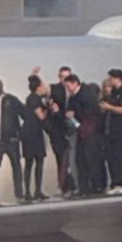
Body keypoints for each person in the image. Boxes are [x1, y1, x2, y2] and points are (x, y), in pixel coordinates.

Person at [68, 76, 105, 195]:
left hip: (91, 131)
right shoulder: (72, 98)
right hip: (80, 131)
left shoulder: (87, 94)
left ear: (75, 83)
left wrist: (76, 113)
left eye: (68, 86)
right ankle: (84, 188)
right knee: (80, 160)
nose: (67, 89)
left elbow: (93, 111)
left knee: (92, 159)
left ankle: (97, 185)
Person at [47, 66, 78, 197]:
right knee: (61, 159)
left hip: (73, 129)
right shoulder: (54, 90)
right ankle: (62, 186)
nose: (65, 80)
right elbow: (46, 98)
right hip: (58, 130)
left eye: (67, 77)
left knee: (73, 159)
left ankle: (72, 186)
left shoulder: (75, 91)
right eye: (62, 77)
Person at [21, 75, 49, 201]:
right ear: (38, 88)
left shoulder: (33, 98)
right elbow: (41, 116)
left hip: (32, 132)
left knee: (33, 163)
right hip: (32, 134)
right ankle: (30, 191)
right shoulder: (34, 99)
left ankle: (35, 190)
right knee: (33, 163)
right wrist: (49, 108)